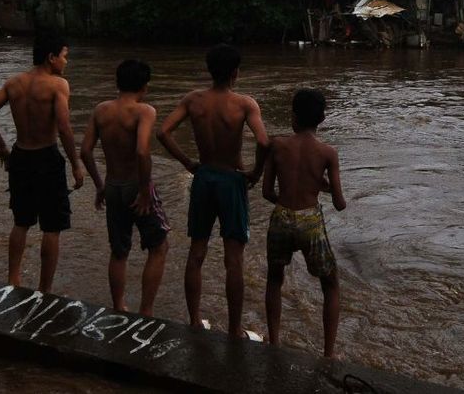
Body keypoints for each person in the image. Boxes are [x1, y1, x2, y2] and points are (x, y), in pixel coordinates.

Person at [156, 44, 270, 340]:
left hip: (204, 176)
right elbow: (264, 142)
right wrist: (255, 174)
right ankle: (234, 330)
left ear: (210, 70)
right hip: (232, 179)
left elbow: (162, 131)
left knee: (197, 252)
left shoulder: (193, 100)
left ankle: (195, 320)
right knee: (234, 259)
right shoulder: (245, 104)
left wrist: (189, 163)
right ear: (235, 72)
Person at [0, 32, 86, 293]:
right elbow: (64, 128)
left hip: (20, 156)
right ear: (51, 58)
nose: (66, 62)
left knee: (21, 221)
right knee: (52, 227)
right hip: (46, 157)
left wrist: (3, 148)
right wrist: (75, 163)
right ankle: (44, 290)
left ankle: (13, 279)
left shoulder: (14, 83)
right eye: (64, 57)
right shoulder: (58, 85)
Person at [79, 59, 170, 316]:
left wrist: (99, 185)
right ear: (144, 86)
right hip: (136, 186)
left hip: (113, 186)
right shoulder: (144, 111)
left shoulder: (101, 110)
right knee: (159, 246)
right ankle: (146, 311)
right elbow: (142, 152)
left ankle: (119, 306)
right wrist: (143, 191)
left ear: (117, 83)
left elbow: (85, 151)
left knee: (119, 251)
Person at [262, 89, 346, 358]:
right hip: (310, 221)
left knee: (275, 280)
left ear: (294, 116)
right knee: (330, 285)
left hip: (282, 216)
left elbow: (266, 192)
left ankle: (273, 342)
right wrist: (323, 187)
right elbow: (340, 203)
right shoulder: (327, 152)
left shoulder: (276, 145)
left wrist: (286, 199)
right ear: (321, 119)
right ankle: (328, 354)